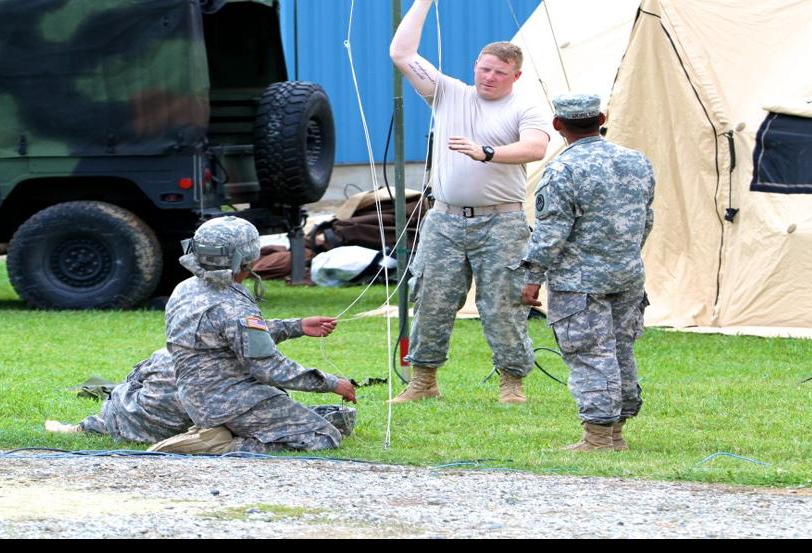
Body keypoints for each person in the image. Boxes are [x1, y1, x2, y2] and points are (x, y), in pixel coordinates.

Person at [388, 0, 550, 405]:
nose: (489, 77)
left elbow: (536, 147)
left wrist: (487, 152)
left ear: (516, 75)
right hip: (444, 219)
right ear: (474, 66)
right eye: (484, 68)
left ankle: (512, 384)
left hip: (501, 223)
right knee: (431, 299)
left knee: (503, 303)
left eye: (499, 72)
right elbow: (401, 54)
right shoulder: (448, 93)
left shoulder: (524, 106)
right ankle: (423, 382)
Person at [151, 216, 357, 454]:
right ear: (247, 257)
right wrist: (331, 383)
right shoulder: (231, 305)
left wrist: (297, 326)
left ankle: (219, 432)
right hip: (232, 402)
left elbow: (233, 334)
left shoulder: (187, 288)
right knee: (323, 436)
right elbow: (268, 367)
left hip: (202, 398)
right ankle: (221, 445)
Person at [518, 94, 656, 451]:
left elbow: (551, 232)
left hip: (579, 283)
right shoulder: (637, 162)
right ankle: (616, 435)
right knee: (621, 351)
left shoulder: (563, 170)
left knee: (590, 353)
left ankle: (597, 437)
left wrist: (532, 278)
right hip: (627, 275)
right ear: (601, 118)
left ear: (557, 125)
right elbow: (646, 219)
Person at [44, 345, 357, 444]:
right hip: (212, 414)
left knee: (125, 402)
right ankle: (226, 443)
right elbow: (275, 372)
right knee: (323, 433)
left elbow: (135, 378)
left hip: (139, 418)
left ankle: (83, 426)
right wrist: (331, 383)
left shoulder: (175, 342)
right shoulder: (246, 357)